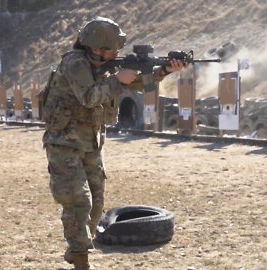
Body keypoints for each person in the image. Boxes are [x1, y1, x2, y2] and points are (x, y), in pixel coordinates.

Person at [40, 16, 186, 270]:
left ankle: (77, 249)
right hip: (64, 143)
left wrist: (164, 71)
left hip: (91, 143)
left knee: (96, 205)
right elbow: (89, 96)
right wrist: (118, 79)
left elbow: (138, 83)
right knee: (78, 202)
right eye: (113, 48)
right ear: (97, 47)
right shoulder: (75, 63)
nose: (117, 53)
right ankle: (80, 258)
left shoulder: (103, 63)